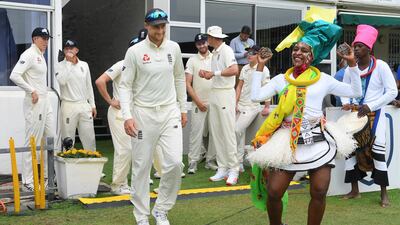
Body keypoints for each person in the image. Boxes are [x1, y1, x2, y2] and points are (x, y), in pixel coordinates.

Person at [247, 7, 362, 225]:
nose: (298, 52)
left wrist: (352, 64)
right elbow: (255, 96)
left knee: (319, 191)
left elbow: (355, 92)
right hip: (287, 140)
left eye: (304, 50)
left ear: (312, 55)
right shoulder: (282, 79)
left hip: (317, 138)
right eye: (296, 48)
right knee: (274, 191)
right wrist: (260, 67)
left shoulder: (324, 80)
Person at [119, 8, 187, 225]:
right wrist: (127, 116)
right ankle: (141, 217)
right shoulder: (135, 52)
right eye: (156, 27)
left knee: (175, 163)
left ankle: (161, 210)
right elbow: (125, 86)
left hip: (169, 112)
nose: (160, 31)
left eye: (163, 26)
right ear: (147, 26)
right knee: (141, 167)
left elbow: (179, 78)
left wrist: (183, 109)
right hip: (142, 114)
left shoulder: (174, 48)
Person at [341, 24, 397, 208]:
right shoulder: (351, 68)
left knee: (378, 151)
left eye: (359, 46)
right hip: (354, 114)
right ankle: (354, 190)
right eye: (354, 45)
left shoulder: (380, 66)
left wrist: (370, 105)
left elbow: (391, 92)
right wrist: (345, 103)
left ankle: (383, 194)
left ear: (369, 48)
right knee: (350, 151)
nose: (355, 48)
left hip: (375, 114)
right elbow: (343, 90)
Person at [95, 33, 147, 195]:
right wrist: (110, 100)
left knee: (136, 149)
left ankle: (128, 182)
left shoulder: (143, 67)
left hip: (135, 114)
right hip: (119, 114)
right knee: (124, 149)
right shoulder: (121, 64)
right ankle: (118, 185)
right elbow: (100, 81)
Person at [10, 27, 55, 191]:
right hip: (34, 101)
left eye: (47, 38)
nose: (46, 41)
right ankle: (28, 181)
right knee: (33, 141)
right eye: (43, 38)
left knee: (50, 138)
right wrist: (31, 90)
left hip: (45, 100)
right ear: (34, 39)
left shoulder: (41, 56)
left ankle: (46, 178)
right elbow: (14, 75)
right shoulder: (29, 54)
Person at [199, 26, 240, 185]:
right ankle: (222, 168)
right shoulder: (215, 53)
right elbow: (220, 73)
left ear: (214, 37)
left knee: (227, 132)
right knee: (217, 132)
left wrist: (213, 74)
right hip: (215, 92)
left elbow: (234, 69)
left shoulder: (226, 50)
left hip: (225, 94)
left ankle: (234, 169)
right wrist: (208, 74)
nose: (206, 40)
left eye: (208, 37)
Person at [55, 39, 96, 151]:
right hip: (68, 105)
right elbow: (62, 81)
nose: (69, 50)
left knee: (89, 138)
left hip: (84, 105)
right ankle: (68, 167)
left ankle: (91, 165)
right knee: (68, 140)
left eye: (71, 48)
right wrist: (68, 62)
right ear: (64, 50)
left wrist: (92, 105)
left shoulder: (84, 65)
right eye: (66, 48)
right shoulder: (59, 65)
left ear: (76, 50)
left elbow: (89, 86)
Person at [235, 45, 270, 172]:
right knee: (238, 132)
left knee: (237, 130)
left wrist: (267, 106)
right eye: (248, 53)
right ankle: (238, 163)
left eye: (252, 53)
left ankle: (238, 161)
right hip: (240, 105)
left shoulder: (264, 69)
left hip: (252, 107)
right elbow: (239, 87)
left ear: (258, 55)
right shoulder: (244, 68)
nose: (249, 55)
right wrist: (235, 102)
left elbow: (267, 87)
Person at [186, 33, 217, 174]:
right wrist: (198, 102)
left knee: (214, 133)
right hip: (199, 103)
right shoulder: (192, 60)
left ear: (207, 43)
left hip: (215, 102)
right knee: (195, 133)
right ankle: (193, 162)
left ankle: (210, 161)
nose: (202, 45)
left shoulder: (216, 57)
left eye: (204, 43)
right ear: (196, 45)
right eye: (199, 44)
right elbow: (187, 84)